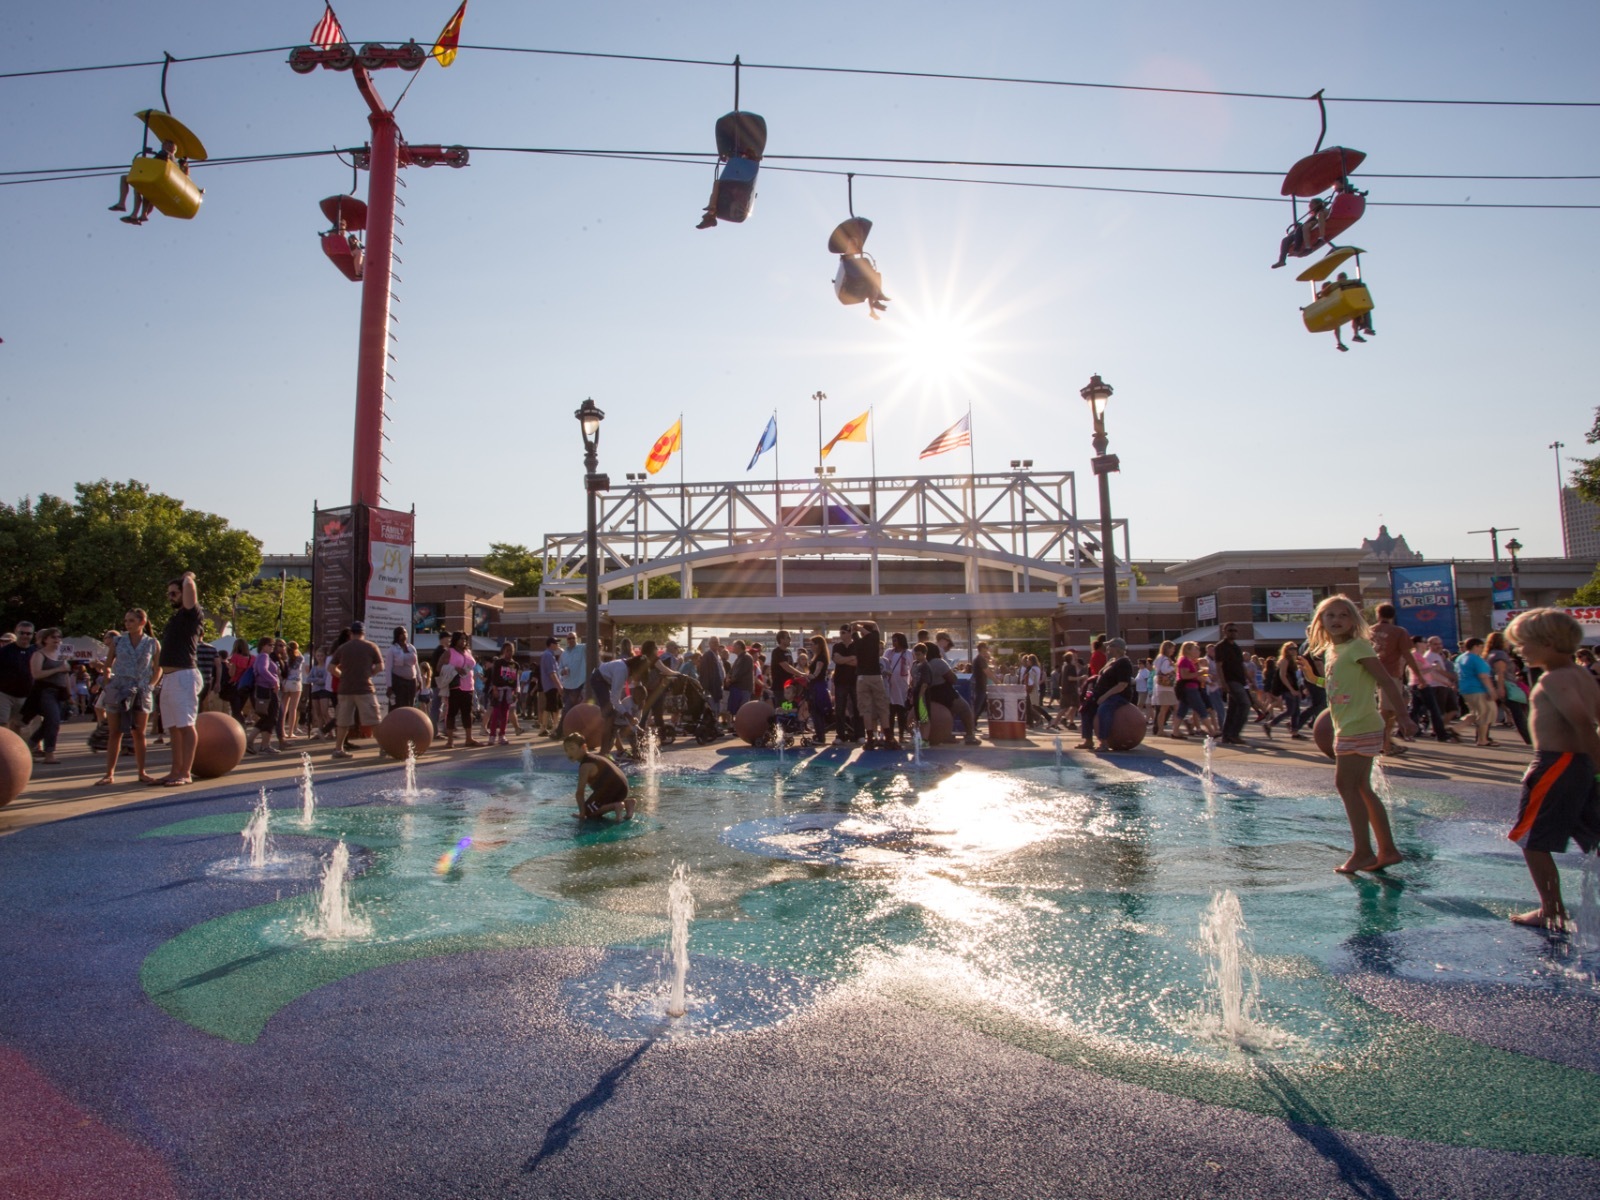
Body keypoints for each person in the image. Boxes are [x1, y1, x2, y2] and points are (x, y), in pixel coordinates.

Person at [1503, 609, 1600, 928]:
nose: (1519, 650)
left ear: (1547, 642)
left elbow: (1583, 723)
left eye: (1523, 644)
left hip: (1556, 764)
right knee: (1593, 837)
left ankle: (1551, 909)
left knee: (1533, 840)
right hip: (1579, 765)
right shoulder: (1582, 675)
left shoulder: (1554, 679)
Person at [1307, 595, 1416, 874]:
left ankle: (1364, 852)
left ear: (1354, 620)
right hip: (1348, 725)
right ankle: (1387, 851)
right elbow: (1341, 685)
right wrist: (1315, 679)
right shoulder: (1334, 651)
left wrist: (1403, 716)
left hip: (1361, 725)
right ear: (1320, 621)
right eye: (1330, 615)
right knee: (1361, 788)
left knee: (1346, 785)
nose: (1336, 620)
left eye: (1343, 615)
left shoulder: (1358, 646)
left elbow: (1384, 681)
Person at [154, 572, 205, 786]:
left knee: (185, 725)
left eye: (174, 593)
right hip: (169, 677)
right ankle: (175, 770)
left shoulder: (191, 613)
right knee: (173, 727)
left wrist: (188, 577)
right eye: (168, 594)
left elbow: (191, 589)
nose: (171, 597)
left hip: (184, 675)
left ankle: (186, 772)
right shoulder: (175, 617)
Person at [1368, 604, 1428, 756]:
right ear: (1392, 616)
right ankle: (1384, 742)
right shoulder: (1399, 632)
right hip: (1390, 674)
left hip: (1368, 673)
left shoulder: (1369, 631)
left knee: (1381, 708)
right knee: (1388, 710)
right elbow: (1407, 655)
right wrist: (1419, 676)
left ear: (1378, 614)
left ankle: (1385, 741)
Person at [330, 621, 385, 759]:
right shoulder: (371, 646)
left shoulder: (343, 648)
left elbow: (331, 668)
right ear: (363, 633)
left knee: (343, 721)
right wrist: (370, 673)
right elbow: (380, 667)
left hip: (345, 689)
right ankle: (384, 748)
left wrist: (343, 676)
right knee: (374, 719)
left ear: (351, 633)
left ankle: (338, 749)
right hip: (364, 688)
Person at [25, 628, 73, 764]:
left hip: (59, 692)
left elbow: (66, 675)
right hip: (45, 691)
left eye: (59, 637)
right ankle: (49, 754)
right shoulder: (39, 654)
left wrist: (69, 694)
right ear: (45, 639)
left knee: (50, 723)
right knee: (53, 721)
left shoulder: (62, 654)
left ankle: (27, 746)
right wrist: (57, 669)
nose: (57, 640)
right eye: (53, 637)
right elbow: (36, 674)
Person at [564, 732, 634, 822]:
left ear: (584, 747)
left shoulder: (585, 766)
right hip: (623, 789)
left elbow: (580, 793)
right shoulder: (595, 757)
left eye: (572, 748)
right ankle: (628, 803)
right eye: (566, 750)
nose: (569, 753)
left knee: (588, 812)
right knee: (591, 804)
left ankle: (616, 806)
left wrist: (582, 814)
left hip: (612, 791)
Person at [921, 642, 980, 746]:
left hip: (929, 695)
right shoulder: (938, 662)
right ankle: (970, 736)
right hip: (944, 693)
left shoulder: (921, 663)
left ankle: (947, 735)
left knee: (950, 712)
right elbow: (953, 679)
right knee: (965, 709)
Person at [1485, 631, 1532, 746]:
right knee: (1518, 713)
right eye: (1506, 640)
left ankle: (1482, 736)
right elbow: (1499, 672)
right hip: (1505, 685)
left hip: (1496, 684)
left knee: (1489, 711)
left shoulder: (1490, 654)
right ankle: (1529, 739)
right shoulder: (1500, 655)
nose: (1508, 643)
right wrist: (1501, 687)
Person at [852, 621, 894, 749]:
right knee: (882, 707)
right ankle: (888, 737)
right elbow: (875, 624)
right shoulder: (874, 638)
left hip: (861, 678)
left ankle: (869, 738)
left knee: (866, 709)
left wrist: (855, 627)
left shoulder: (858, 641)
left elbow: (854, 632)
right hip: (875, 676)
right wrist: (859, 623)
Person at [1455, 637, 1500, 747]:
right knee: (1486, 713)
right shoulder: (1476, 659)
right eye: (1481, 646)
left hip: (1466, 689)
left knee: (1476, 713)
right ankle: (1482, 739)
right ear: (1475, 646)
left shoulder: (1460, 658)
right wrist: (1491, 690)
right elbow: (1483, 676)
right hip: (1478, 689)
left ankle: (1455, 729)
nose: (1482, 649)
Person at [440, 632, 481, 750]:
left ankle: (469, 738)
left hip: (469, 686)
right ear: (455, 640)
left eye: (465, 639)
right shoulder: (449, 652)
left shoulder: (468, 652)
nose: (463, 641)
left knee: (467, 713)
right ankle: (450, 740)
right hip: (455, 685)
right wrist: (454, 668)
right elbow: (439, 667)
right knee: (452, 712)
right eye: (461, 639)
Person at [1214, 624, 1252, 746]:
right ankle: (1234, 734)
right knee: (1245, 704)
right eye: (1230, 630)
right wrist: (1223, 682)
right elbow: (1219, 666)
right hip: (1230, 680)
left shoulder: (1236, 647)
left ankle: (1226, 735)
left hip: (1240, 680)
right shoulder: (1220, 647)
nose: (1233, 633)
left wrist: (1250, 680)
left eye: (1235, 630)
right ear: (1224, 631)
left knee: (1233, 709)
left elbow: (1242, 665)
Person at [245, 635, 282, 756]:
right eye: (270, 645)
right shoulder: (264, 656)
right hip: (267, 690)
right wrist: (274, 681)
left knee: (266, 717)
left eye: (273, 645)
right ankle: (264, 745)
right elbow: (262, 670)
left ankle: (251, 741)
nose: (272, 647)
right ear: (263, 646)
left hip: (263, 690)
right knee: (271, 716)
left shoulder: (262, 657)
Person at [1265, 642, 1308, 739]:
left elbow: (1296, 677)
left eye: (1295, 648)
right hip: (1287, 689)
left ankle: (1295, 732)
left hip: (1294, 688)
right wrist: (1291, 689)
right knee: (1290, 711)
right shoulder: (1285, 660)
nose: (1293, 651)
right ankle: (1269, 724)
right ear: (1286, 650)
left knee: (1296, 711)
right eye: (1290, 649)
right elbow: (1282, 676)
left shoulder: (1293, 661)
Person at [1270, 196, 1327, 269]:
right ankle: (1282, 260)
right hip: (1301, 232)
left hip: (1309, 228)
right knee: (1285, 240)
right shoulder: (1313, 215)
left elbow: (1319, 219)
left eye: (1311, 204)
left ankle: (1297, 249)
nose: (1309, 206)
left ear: (1317, 204)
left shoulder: (1321, 212)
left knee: (1300, 229)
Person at [0, 622, 35, 731]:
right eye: (22, 633)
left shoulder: (35, 652)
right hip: (4, 694)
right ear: (16, 632)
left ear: (32, 635)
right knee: (2, 723)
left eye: (28, 633)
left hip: (26, 695)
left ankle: (16, 748)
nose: (25, 636)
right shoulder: (4, 651)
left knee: (20, 726)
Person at [485, 642, 520, 745]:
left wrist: (515, 692)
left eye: (511, 650)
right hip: (499, 690)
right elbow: (494, 677)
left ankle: (502, 735)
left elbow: (514, 680)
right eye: (507, 650)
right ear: (504, 651)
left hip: (509, 691)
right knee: (495, 713)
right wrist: (495, 689)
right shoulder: (499, 663)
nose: (509, 652)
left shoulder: (515, 665)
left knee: (505, 714)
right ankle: (492, 735)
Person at [882, 631, 912, 748]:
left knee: (901, 712)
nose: (893, 642)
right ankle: (889, 735)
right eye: (892, 640)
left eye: (895, 640)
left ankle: (901, 734)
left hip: (902, 685)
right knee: (890, 712)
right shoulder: (888, 652)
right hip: (889, 685)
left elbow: (911, 667)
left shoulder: (907, 653)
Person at [831, 625, 860, 744]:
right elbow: (837, 660)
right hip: (840, 682)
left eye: (843, 632)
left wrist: (844, 659)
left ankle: (859, 734)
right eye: (840, 632)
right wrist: (851, 658)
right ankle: (840, 735)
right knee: (840, 709)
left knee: (857, 708)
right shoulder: (837, 646)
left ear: (849, 633)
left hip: (854, 681)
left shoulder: (857, 645)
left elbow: (858, 662)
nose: (841, 635)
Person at [386, 628, 419, 710]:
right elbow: (388, 668)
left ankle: (408, 722)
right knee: (398, 705)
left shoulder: (411, 648)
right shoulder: (392, 649)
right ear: (397, 635)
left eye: (405, 633)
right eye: (402, 633)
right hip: (398, 681)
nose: (404, 635)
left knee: (410, 704)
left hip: (411, 681)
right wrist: (389, 686)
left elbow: (416, 665)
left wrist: (419, 679)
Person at [539, 637, 564, 737]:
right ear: (551, 644)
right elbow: (552, 673)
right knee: (554, 707)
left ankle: (544, 727)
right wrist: (559, 686)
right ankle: (553, 727)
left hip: (549, 685)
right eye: (556, 643)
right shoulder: (548, 655)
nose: (558, 645)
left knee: (552, 706)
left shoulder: (548, 655)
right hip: (552, 685)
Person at [559, 631, 586, 714]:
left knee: (567, 709)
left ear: (576, 638)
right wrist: (562, 671)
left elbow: (595, 645)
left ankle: (562, 726)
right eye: (569, 638)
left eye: (573, 638)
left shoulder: (582, 648)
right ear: (567, 640)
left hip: (578, 684)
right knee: (571, 709)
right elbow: (559, 669)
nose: (571, 640)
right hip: (566, 686)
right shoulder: (564, 654)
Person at [726, 640, 754, 718]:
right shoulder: (739, 658)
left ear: (739, 646)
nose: (732, 648)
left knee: (742, 711)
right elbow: (731, 672)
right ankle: (734, 726)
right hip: (737, 689)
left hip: (743, 689)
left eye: (734, 646)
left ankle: (740, 727)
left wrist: (730, 681)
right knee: (734, 710)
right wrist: (728, 678)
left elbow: (739, 674)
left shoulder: (746, 658)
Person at [971, 641, 991, 734]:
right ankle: (972, 725)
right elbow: (987, 672)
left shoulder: (978, 659)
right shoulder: (980, 659)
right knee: (977, 706)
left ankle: (973, 724)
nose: (987, 649)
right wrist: (997, 681)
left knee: (980, 705)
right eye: (986, 647)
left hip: (980, 686)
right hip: (980, 686)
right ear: (982, 648)